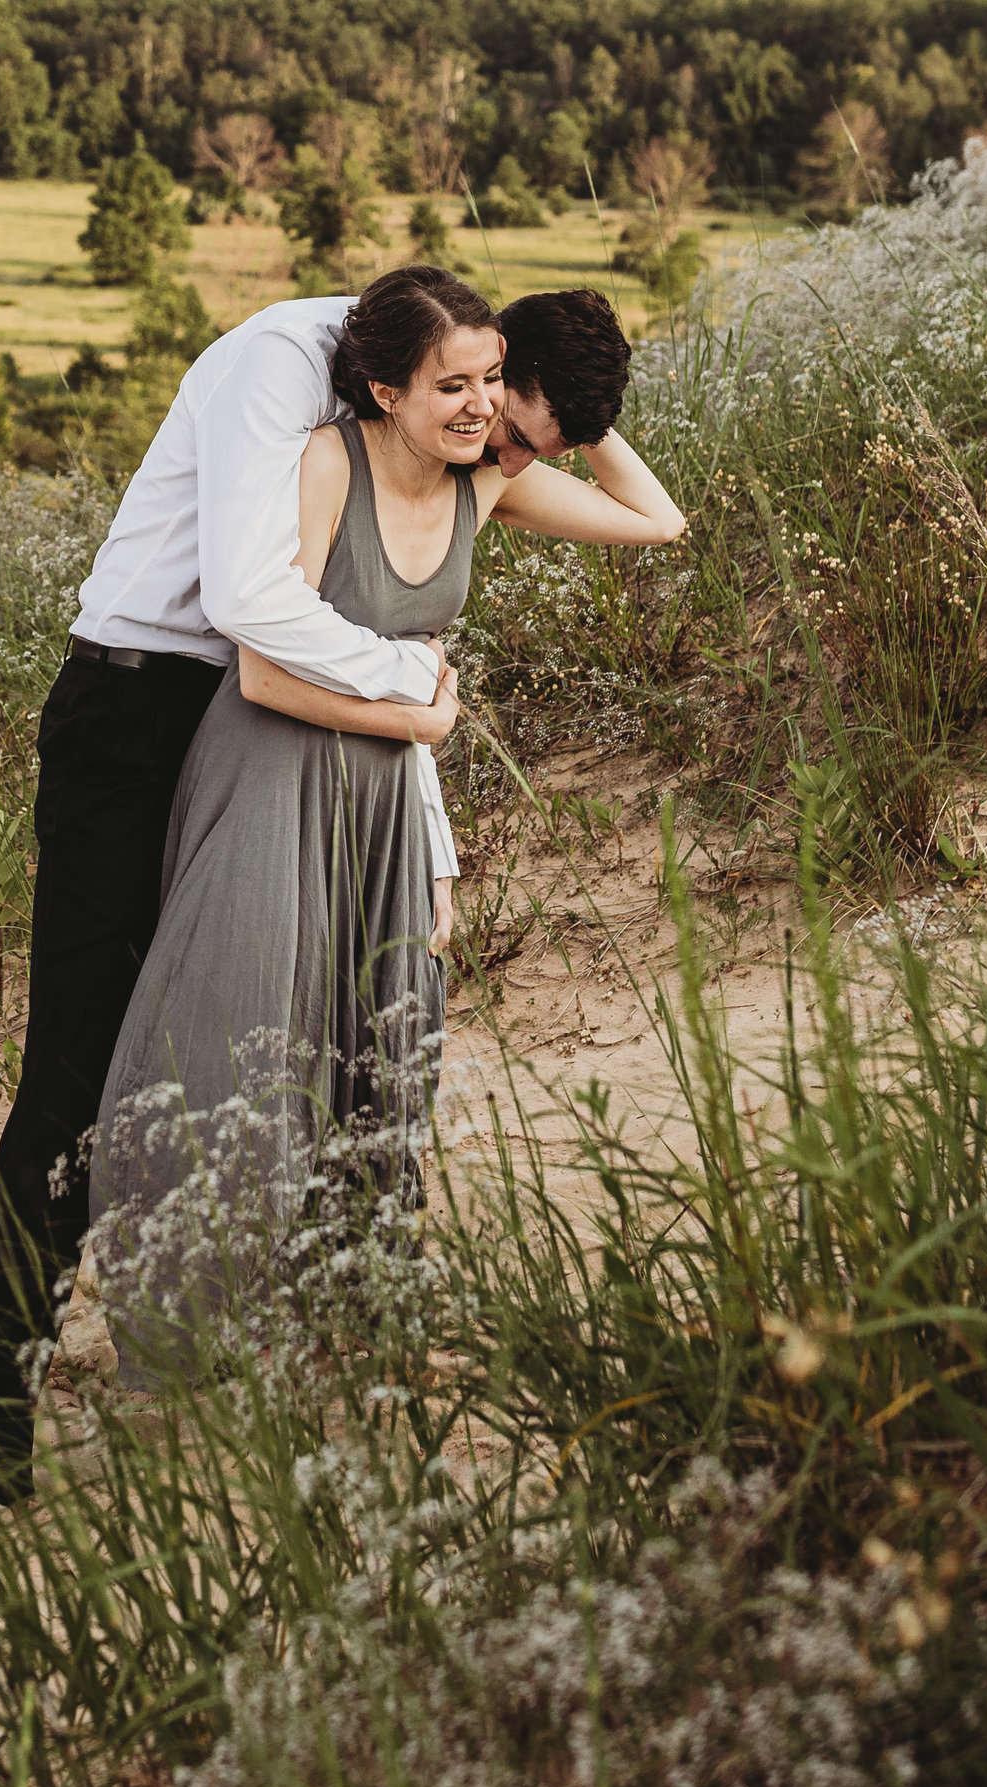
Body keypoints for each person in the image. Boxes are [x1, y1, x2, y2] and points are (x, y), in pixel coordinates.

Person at [0, 273, 473, 1501]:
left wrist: (431, 832)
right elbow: (255, 606)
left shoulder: (396, 426)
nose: (477, 426)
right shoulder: (278, 363)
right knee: (72, 1083)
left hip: (258, 732)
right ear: (403, 365)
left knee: (268, 1057)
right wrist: (405, 676)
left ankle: (219, 1357)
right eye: (469, 394)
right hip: (135, 711)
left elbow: (397, 684)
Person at [87, 274, 685, 1365]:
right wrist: (418, 711)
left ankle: (343, 1307)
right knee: (240, 1037)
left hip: (384, 795)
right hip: (274, 767)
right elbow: (263, 672)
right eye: (475, 400)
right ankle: (192, 1333)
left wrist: (576, 411)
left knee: (378, 1036)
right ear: (396, 388)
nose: (501, 440)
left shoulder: (490, 485)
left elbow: (659, 522)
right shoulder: (326, 458)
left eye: (498, 390)